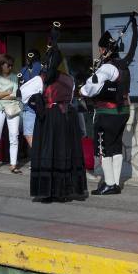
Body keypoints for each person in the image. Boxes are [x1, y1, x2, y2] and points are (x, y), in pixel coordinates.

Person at [26, 25, 88, 202]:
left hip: (49, 118)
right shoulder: (70, 79)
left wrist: (37, 102)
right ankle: (65, 191)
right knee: (65, 152)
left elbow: (22, 95)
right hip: (68, 118)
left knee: (49, 151)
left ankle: (49, 192)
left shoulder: (41, 79)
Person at [81, 14, 138, 196]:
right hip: (124, 111)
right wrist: (135, 26)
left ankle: (109, 183)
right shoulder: (124, 64)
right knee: (115, 146)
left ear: (105, 49)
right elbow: (133, 47)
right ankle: (114, 183)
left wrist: (82, 90)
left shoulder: (106, 68)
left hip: (108, 112)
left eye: (101, 49)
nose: (99, 52)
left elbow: (91, 88)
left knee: (103, 147)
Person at [19, 50, 42, 149]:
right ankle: (39, 158)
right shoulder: (23, 70)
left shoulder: (42, 68)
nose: (28, 59)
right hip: (28, 104)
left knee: (30, 133)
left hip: (40, 103)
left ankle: (39, 158)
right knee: (30, 132)